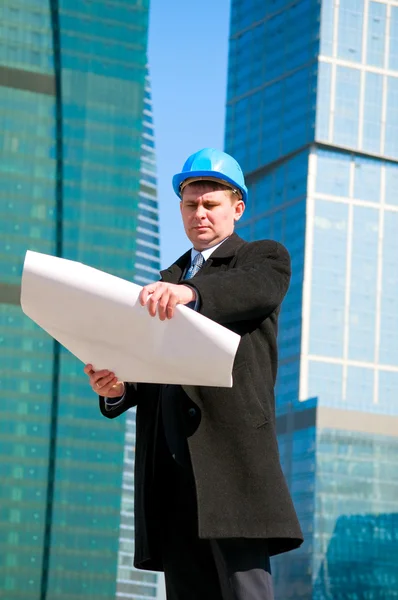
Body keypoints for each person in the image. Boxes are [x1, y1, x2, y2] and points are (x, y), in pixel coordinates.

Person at [84, 148, 303, 600]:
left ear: (237, 208)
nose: (199, 213)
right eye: (190, 205)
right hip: (171, 470)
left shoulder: (262, 260)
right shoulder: (164, 280)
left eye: (211, 204)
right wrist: (120, 385)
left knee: (245, 593)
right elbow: (154, 362)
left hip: (232, 468)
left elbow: (250, 292)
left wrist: (189, 294)